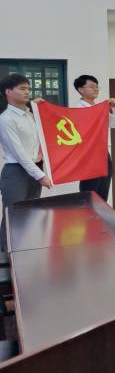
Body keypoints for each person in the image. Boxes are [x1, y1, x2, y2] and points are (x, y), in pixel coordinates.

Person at [0, 74, 53, 251]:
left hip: (34, 170)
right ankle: (6, 257)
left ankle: (25, 253)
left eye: (28, 88)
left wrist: (38, 107)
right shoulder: (6, 119)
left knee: (30, 215)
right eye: (22, 88)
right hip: (16, 172)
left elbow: (40, 142)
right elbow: (20, 153)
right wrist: (40, 176)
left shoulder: (30, 115)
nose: (27, 92)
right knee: (13, 217)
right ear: (8, 92)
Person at [72, 74, 115, 201]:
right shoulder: (77, 108)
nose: (95, 89)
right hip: (88, 154)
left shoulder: (100, 108)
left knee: (103, 193)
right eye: (91, 86)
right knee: (89, 194)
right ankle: (87, 213)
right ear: (81, 90)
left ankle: (100, 214)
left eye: (97, 86)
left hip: (103, 153)